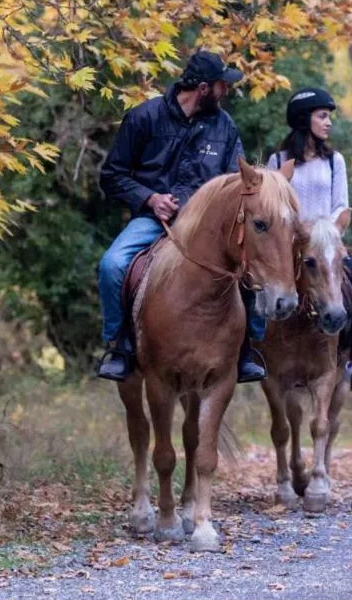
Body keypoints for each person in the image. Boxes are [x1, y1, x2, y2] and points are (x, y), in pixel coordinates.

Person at [94, 50, 268, 385]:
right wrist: (149, 198)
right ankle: (119, 346)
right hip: (153, 221)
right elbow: (112, 175)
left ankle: (246, 353)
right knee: (112, 265)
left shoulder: (224, 126)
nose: (226, 91)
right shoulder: (144, 117)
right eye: (221, 85)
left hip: (207, 228)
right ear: (203, 88)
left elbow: (237, 179)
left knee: (253, 268)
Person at [266, 87, 352, 392]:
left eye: (329, 117)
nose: (328, 123)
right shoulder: (278, 161)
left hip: (328, 244)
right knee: (254, 287)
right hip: (290, 247)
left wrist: (330, 229)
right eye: (323, 116)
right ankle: (250, 354)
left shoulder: (334, 161)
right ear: (306, 119)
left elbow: (341, 204)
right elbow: (272, 206)